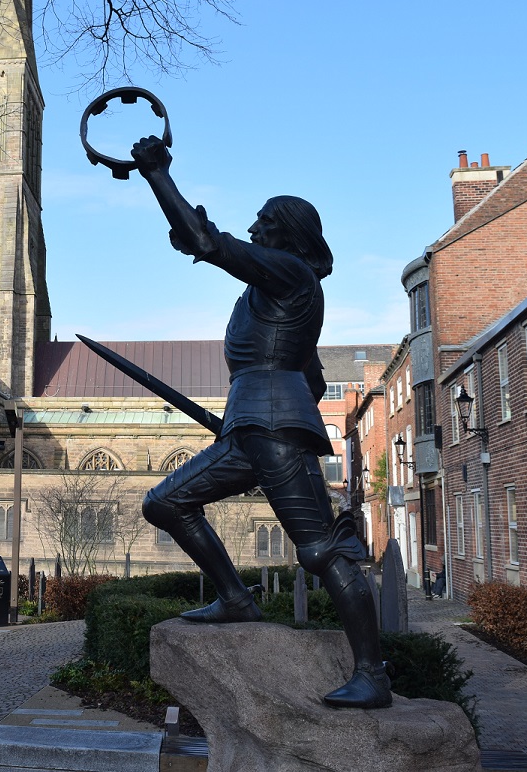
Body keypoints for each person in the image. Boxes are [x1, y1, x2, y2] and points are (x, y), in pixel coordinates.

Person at [131, 135, 391, 709]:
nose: (253, 226)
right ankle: (235, 599)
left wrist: (156, 173)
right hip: (255, 425)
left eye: (264, 220)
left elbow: (204, 241)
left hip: (270, 430)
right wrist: (255, 402)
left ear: (286, 235)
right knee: (165, 502)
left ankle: (372, 673)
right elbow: (315, 381)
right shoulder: (274, 289)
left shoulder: (291, 274)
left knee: (321, 550)